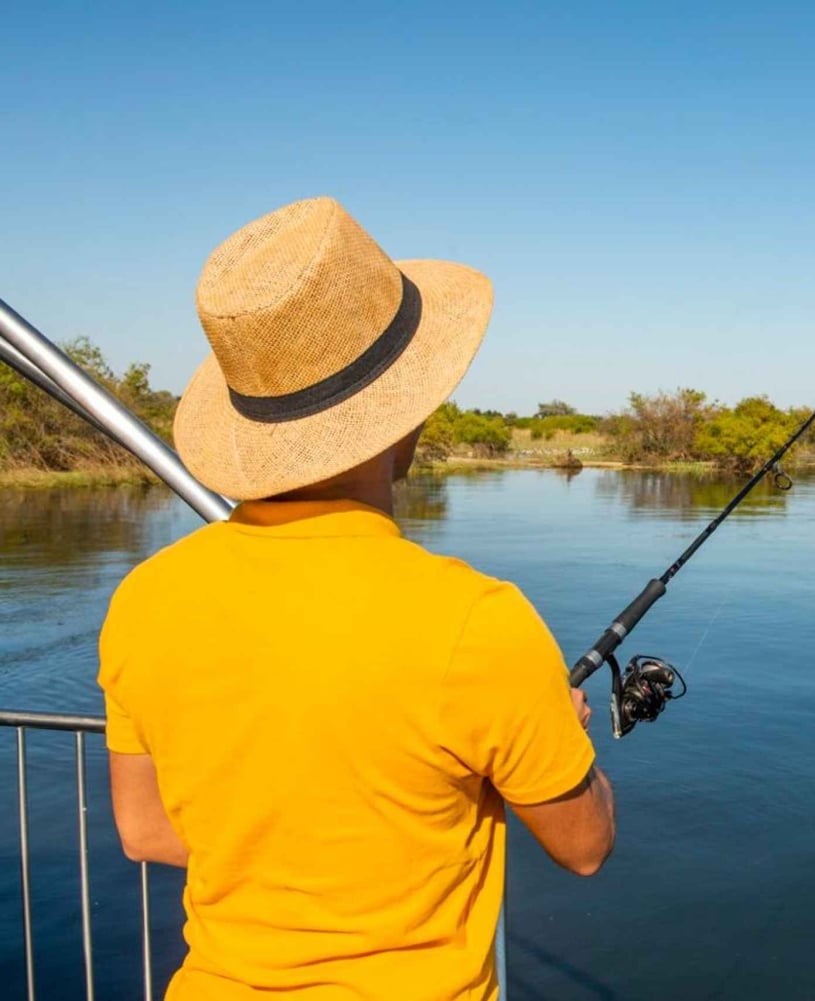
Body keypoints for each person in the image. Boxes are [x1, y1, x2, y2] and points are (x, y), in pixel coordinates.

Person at [98, 197, 614, 1000]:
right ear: (404, 414)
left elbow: (145, 830)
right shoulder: (476, 622)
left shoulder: (144, 598)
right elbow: (585, 846)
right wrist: (555, 731)